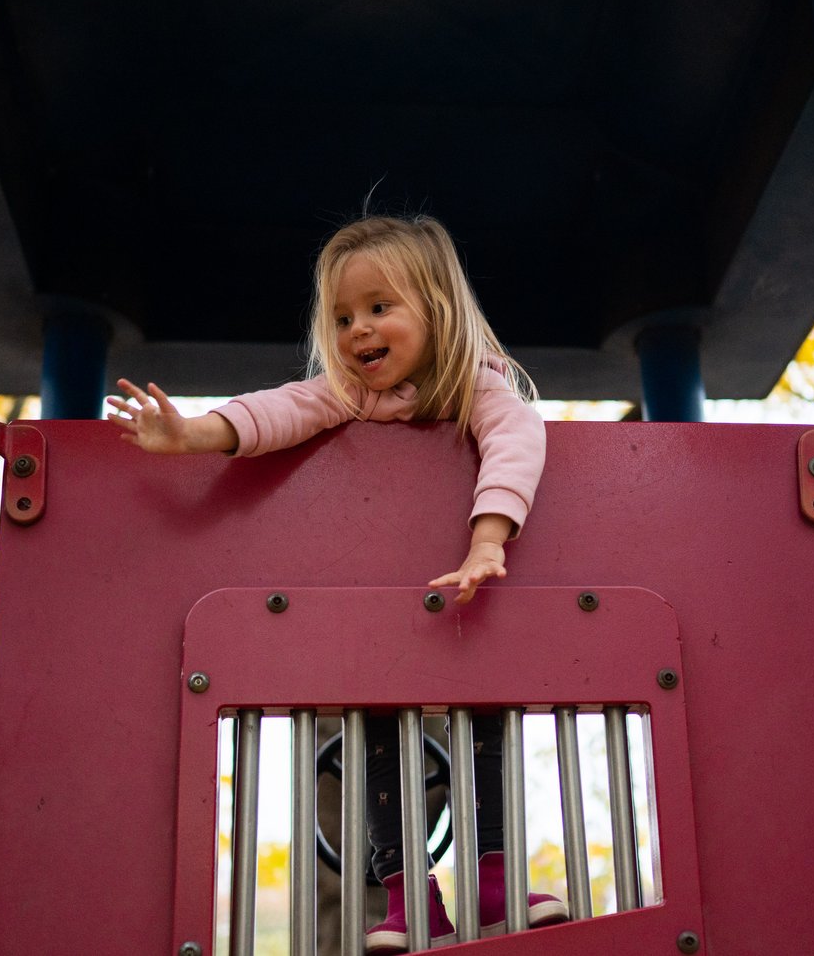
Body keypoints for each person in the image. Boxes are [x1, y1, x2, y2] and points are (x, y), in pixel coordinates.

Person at [107, 214, 567, 951]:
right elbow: (280, 410)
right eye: (344, 316)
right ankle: (407, 898)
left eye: (380, 309)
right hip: (376, 616)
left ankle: (494, 876)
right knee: (375, 742)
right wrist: (193, 435)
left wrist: (488, 540)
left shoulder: (480, 388)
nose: (358, 331)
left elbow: (517, 438)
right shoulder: (348, 394)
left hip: (462, 603)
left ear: (439, 310)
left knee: (487, 727)